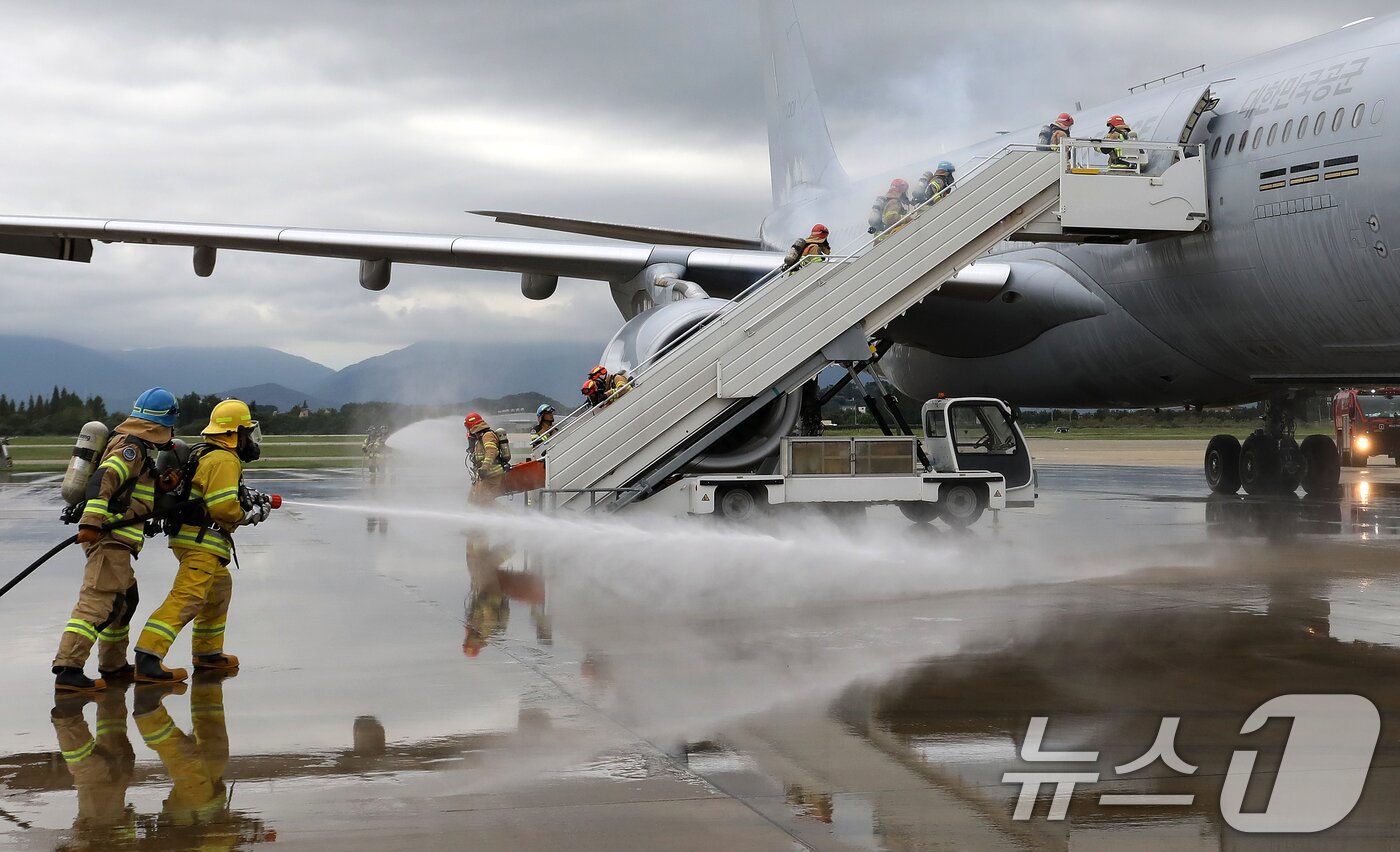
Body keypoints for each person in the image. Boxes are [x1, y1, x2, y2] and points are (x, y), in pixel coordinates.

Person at [134, 399, 273, 683]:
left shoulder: (209, 454)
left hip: (195, 539)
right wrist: (250, 514)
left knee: (219, 590)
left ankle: (208, 653)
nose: (250, 441)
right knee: (188, 597)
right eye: (247, 433)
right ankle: (148, 656)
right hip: (201, 542)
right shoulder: (224, 459)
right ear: (234, 434)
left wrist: (248, 499)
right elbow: (223, 508)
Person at [53, 387, 179, 693]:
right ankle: (69, 669)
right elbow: (103, 481)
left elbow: (130, 492)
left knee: (124, 602)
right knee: (97, 603)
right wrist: (91, 523)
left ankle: (113, 665)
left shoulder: (137, 449)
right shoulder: (130, 449)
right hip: (108, 537)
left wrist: (160, 487)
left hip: (118, 540)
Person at [465, 411, 505, 506]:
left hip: (491, 475)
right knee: (473, 501)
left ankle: (510, 517)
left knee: (484, 502)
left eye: (468, 428)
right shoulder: (480, 439)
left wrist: (484, 468)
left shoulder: (487, 435)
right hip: (484, 476)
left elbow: (491, 451)